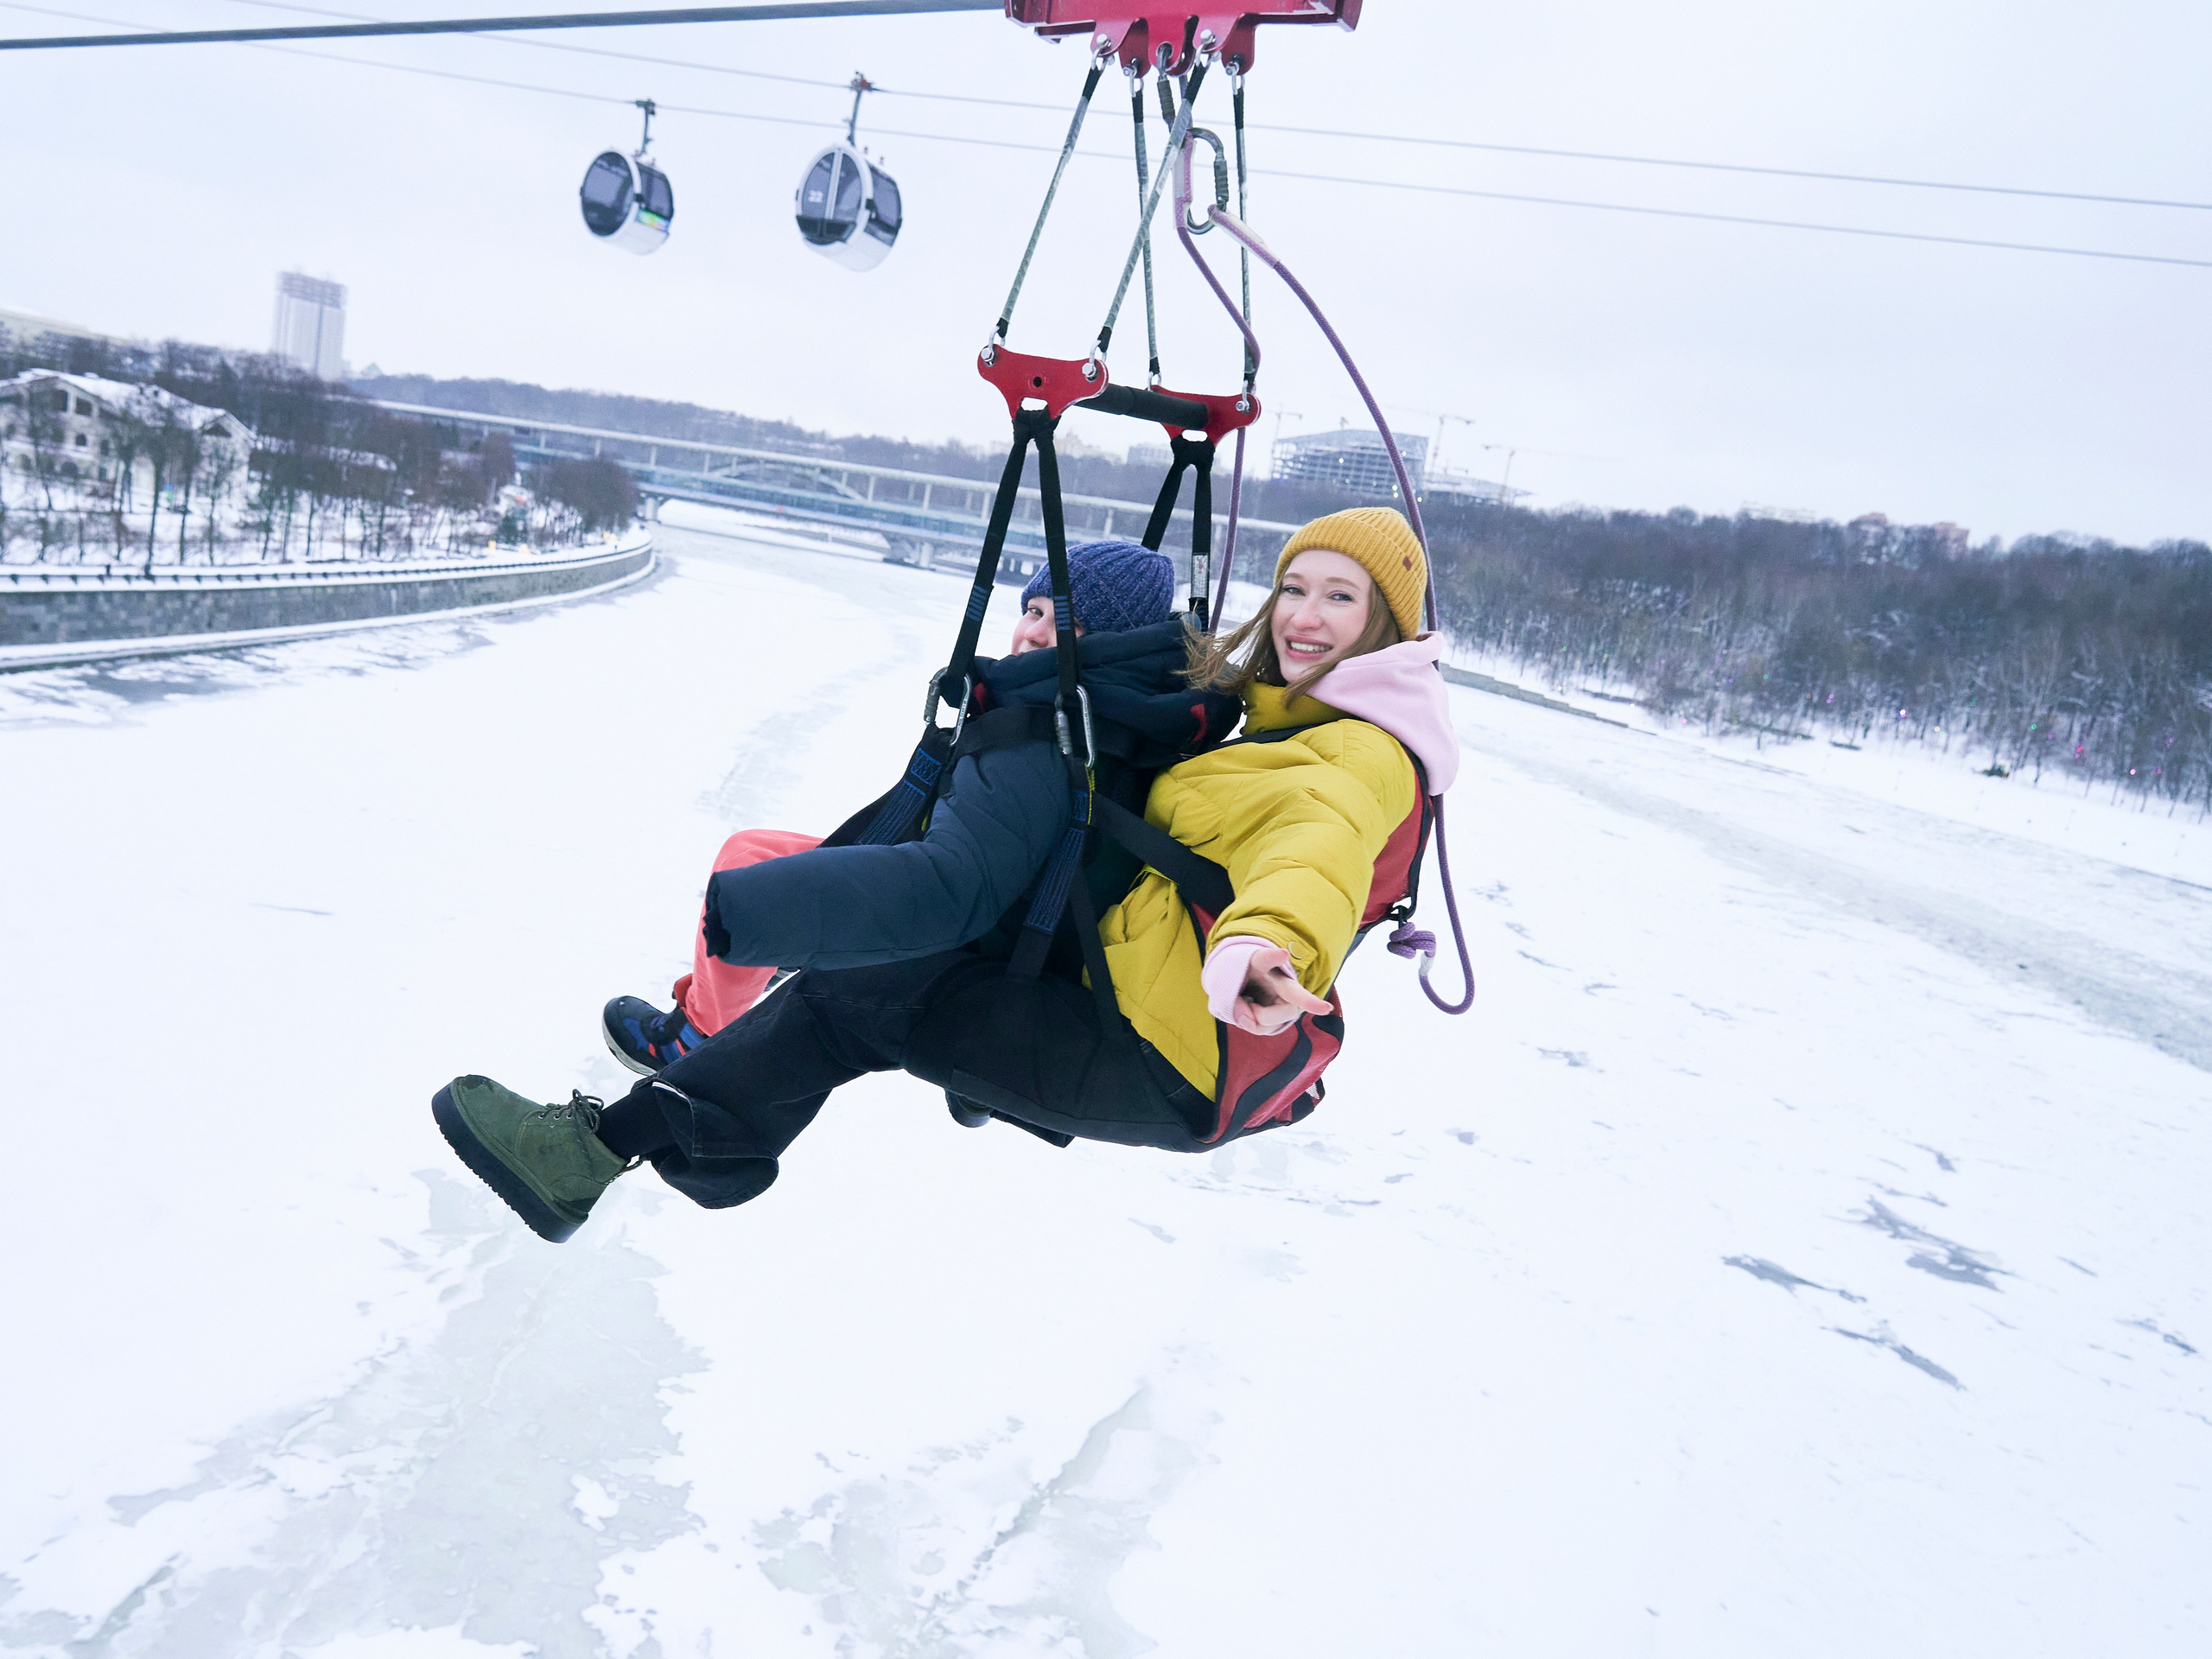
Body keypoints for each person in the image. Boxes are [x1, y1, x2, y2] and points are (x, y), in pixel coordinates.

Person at [433, 507, 1460, 1242]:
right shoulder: (1286, 718)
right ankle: (694, 1135)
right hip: (1124, 997)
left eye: (1342, 597)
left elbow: (1312, 857)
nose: (1305, 615)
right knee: (883, 983)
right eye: (1294, 586)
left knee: (852, 996)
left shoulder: (1358, 755)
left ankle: (605, 1154)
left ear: (1387, 626)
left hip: (1163, 1053)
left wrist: (1263, 949)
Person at [599, 538, 1185, 1073]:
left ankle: (699, 1036)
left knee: (748, 867)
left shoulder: (1044, 733)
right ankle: (735, 988)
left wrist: (777, 905)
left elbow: (958, 888)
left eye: (1064, 623)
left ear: (1111, 642)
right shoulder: (1104, 711)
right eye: (1031, 611)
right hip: (1009, 900)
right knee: (766, 855)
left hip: (975, 928)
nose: (1031, 632)